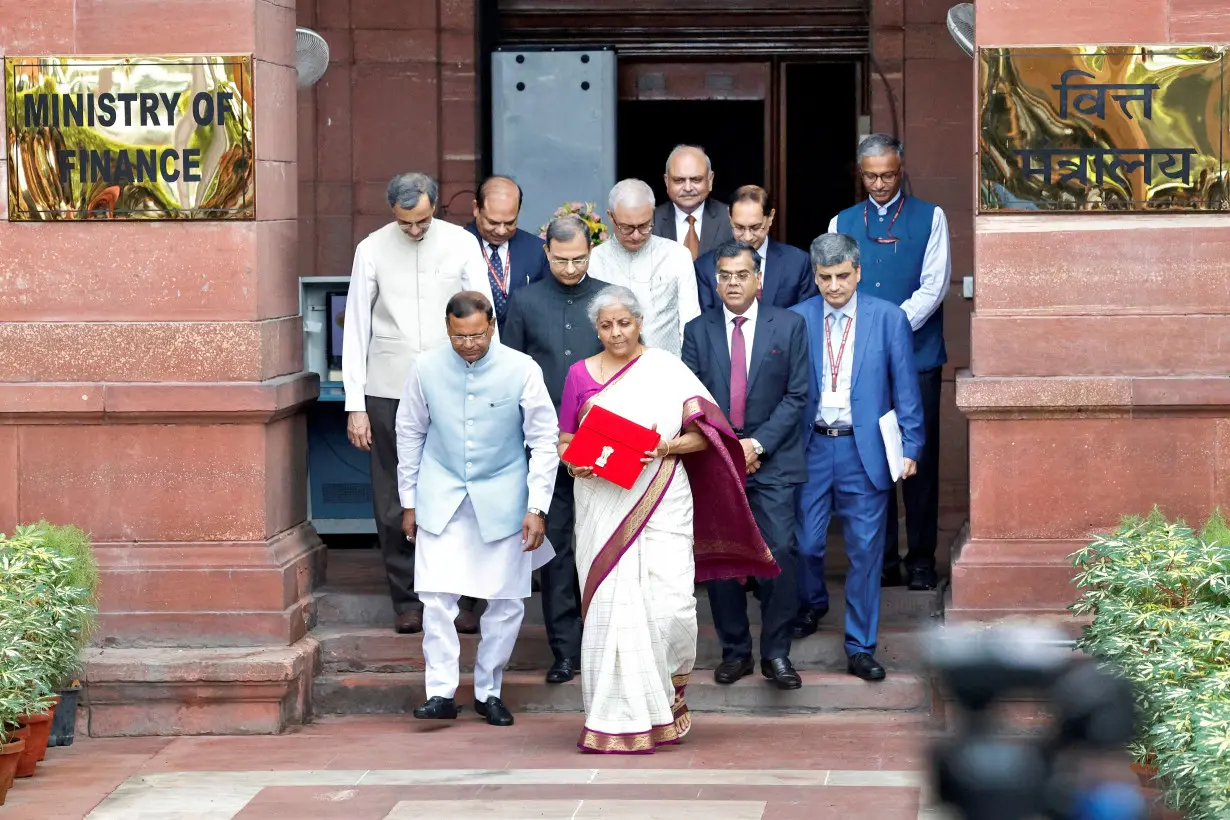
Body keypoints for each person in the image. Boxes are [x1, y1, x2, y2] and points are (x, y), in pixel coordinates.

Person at [558, 284, 779, 754]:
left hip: (662, 492)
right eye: (606, 325)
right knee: (612, 609)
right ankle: (613, 717)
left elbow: (709, 437)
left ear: (640, 323)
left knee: (671, 606)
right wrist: (572, 461)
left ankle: (665, 704)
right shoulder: (579, 374)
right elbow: (564, 439)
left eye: (624, 323)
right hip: (602, 501)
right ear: (595, 329)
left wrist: (663, 446)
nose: (616, 333)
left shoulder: (666, 370)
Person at [343, 172, 497, 636]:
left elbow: (485, 312)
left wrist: (491, 384)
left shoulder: (462, 243)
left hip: (457, 380)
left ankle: (468, 599)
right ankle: (407, 600)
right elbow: (356, 327)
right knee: (393, 496)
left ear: (436, 209)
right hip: (388, 385)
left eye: (423, 221)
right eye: (406, 223)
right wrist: (355, 404)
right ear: (393, 213)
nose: (415, 230)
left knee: (466, 490)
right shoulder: (371, 248)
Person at [395, 292, 559, 726]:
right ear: (446, 329)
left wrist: (537, 506)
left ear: (491, 326)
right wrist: (408, 501)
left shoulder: (522, 368)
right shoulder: (425, 367)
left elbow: (544, 440)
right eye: (458, 336)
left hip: (505, 499)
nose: (468, 344)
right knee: (435, 600)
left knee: (505, 604)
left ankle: (490, 691)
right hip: (440, 495)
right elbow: (409, 432)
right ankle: (440, 693)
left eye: (476, 335)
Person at [790, 233, 924, 682]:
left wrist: (911, 447)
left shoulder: (888, 319)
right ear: (815, 275)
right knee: (806, 544)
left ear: (858, 271)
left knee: (866, 552)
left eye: (842, 276)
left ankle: (860, 644)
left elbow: (906, 388)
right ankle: (812, 603)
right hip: (810, 447)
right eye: (825, 278)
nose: (833, 286)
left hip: (863, 448)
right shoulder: (796, 320)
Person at [681, 240, 810, 690]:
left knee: (781, 552)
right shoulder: (697, 331)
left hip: (772, 462)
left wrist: (756, 446)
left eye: (741, 275)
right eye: (724, 276)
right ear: (715, 281)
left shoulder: (789, 325)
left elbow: (798, 396)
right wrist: (730, 449)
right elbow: (694, 399)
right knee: (721, 556)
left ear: (758, 280)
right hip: (717, 461)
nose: (732, 283)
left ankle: (776, 653)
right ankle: (735, 651)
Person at [827, 134, 950, 592]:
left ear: (902, 169)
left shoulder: (930, 216)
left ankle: (920, 559)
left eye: (889, 174)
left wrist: (890, 328)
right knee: (871, 459)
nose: (880, 183)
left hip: (917, 356)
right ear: (860, 174)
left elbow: (934, 286)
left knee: (917, 459)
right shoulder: (842, 220)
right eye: (871, 175)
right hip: (863, 362)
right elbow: (834, 285)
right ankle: (879, 560)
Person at [502, 214, 606, 684]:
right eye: (562, 259)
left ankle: (606, 643)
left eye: (579, 259)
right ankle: (564, 649)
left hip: (602, 443)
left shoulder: (607, 299)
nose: (570, 268)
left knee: (604, 543)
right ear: (546, 253)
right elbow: (510, 374)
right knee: (558, 547)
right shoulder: (524, 302)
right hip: (545, 446)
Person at [588, 179, 701, 356]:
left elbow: (690, 323)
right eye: (626, 227)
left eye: (644, 226)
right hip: (610, 372)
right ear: (611, 216)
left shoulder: (677, 256)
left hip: (665, 370)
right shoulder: (594, 260)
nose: (636, 235)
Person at [694, 185, 817, 312]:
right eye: (739, 227)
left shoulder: (798, 263)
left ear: (770, 217)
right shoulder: (706, 267)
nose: (747, 237)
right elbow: (706, 324)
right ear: (730, 218)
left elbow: (805, 318)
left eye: (755, 227)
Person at [465, 175, 552, 331]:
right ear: (476, 208)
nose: (501, 230)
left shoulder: (537, 250)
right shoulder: (456, 245)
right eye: (492, 222)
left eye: (510, 222)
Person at [652, 144, 733, 259]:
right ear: (667, 181)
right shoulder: (651, 221)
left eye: (696, 180)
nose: (688, 188)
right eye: (679, 180)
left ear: (710, 180)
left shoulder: (730, 219)